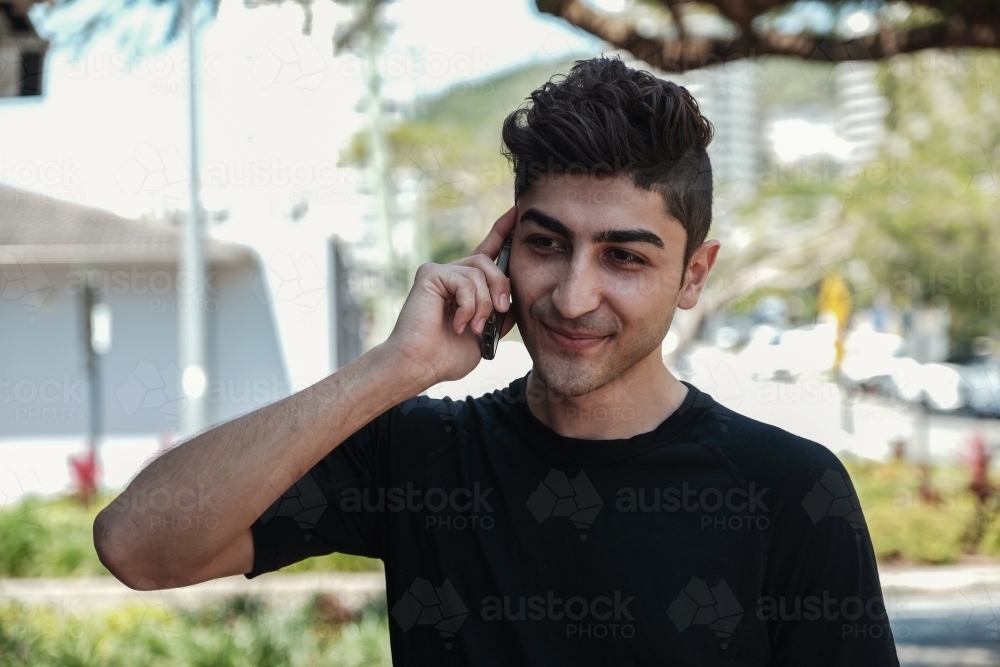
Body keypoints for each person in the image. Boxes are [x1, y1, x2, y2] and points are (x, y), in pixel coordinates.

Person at [94, 55, 900, 666]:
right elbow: (138, 546)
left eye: (624, 257)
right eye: (548, 245)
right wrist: (392, 369)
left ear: (694, 274)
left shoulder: (790, 490)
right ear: (505, 245)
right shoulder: (419, 454)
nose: (574, 295)